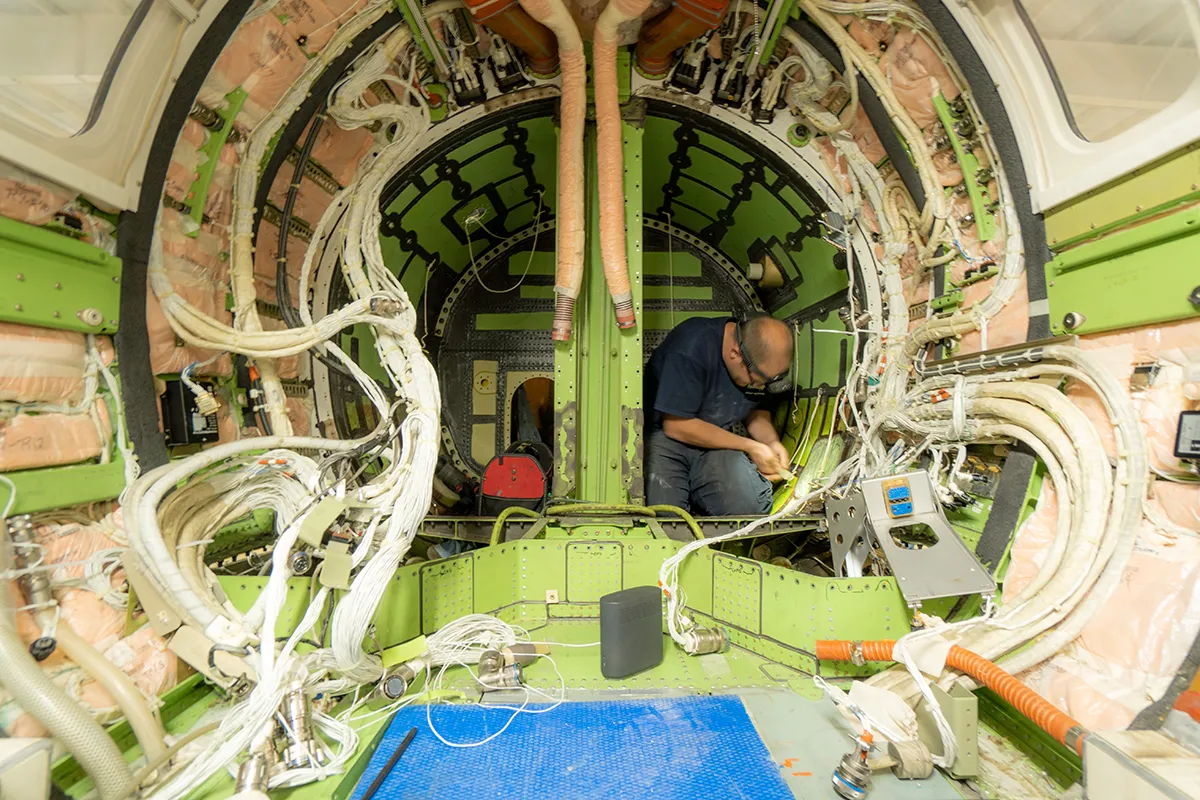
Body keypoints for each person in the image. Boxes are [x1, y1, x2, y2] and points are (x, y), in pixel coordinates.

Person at [644, 312, 794, 515]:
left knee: (750, 510)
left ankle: (704, 496)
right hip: (667, 438)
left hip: (717, 441)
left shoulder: (757, 363)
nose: (760, 386)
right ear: (735, 353)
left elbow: (755, 411)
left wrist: (771, 442)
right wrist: (750, 446)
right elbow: (677, 426)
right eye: (757, 380)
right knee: (666, 517)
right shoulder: (690, 347)